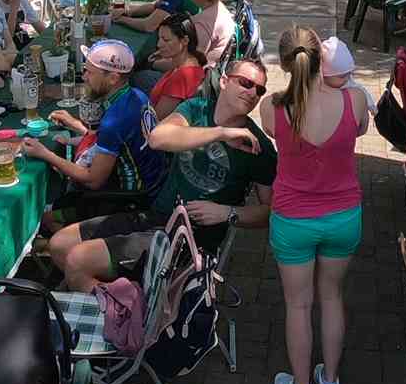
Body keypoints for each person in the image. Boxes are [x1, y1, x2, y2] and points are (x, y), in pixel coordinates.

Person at [49, 53, 277, 289]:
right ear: (224, 81)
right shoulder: (196, 109)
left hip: (191, 239)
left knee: (78, 261)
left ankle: (126, 308)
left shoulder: (258, 146)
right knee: (59, 244)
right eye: (246, 83)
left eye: (259, 90)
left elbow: (271, 212)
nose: (252, 93)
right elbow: (157, 138)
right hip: (156, 216)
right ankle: (122, 301)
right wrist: (221, 133)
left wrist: (227, 212)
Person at [263, 24, 368, 384]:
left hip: (293, 220)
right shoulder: (355, 99)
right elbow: (361, 128)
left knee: (298, 305)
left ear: (285, 64)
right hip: (343, 217)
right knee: (332, 297)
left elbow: (276, 133)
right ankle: (331, 382)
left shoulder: (272, 107)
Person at [23, 38, 170, 216]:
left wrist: (45, 154)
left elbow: (93, 180)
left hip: (131, 199)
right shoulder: (137, 95)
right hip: (154, 181)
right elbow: (120, 142)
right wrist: (78, 126)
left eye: (90, 72)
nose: (84, 77)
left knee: (48, 219)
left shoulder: (114, 121)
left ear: (113, 78)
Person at [148, 16, 209, 117]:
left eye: (166, 40)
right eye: (159, 38)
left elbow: (156, 118)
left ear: (185, 41)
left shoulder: (180, 78)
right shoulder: (193, 60)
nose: (159, 44)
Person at [188, 0, 237, 65]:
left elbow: (193, 63)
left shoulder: (202, 24)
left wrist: (155, 62)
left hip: (205, 70)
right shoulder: (221, 8)